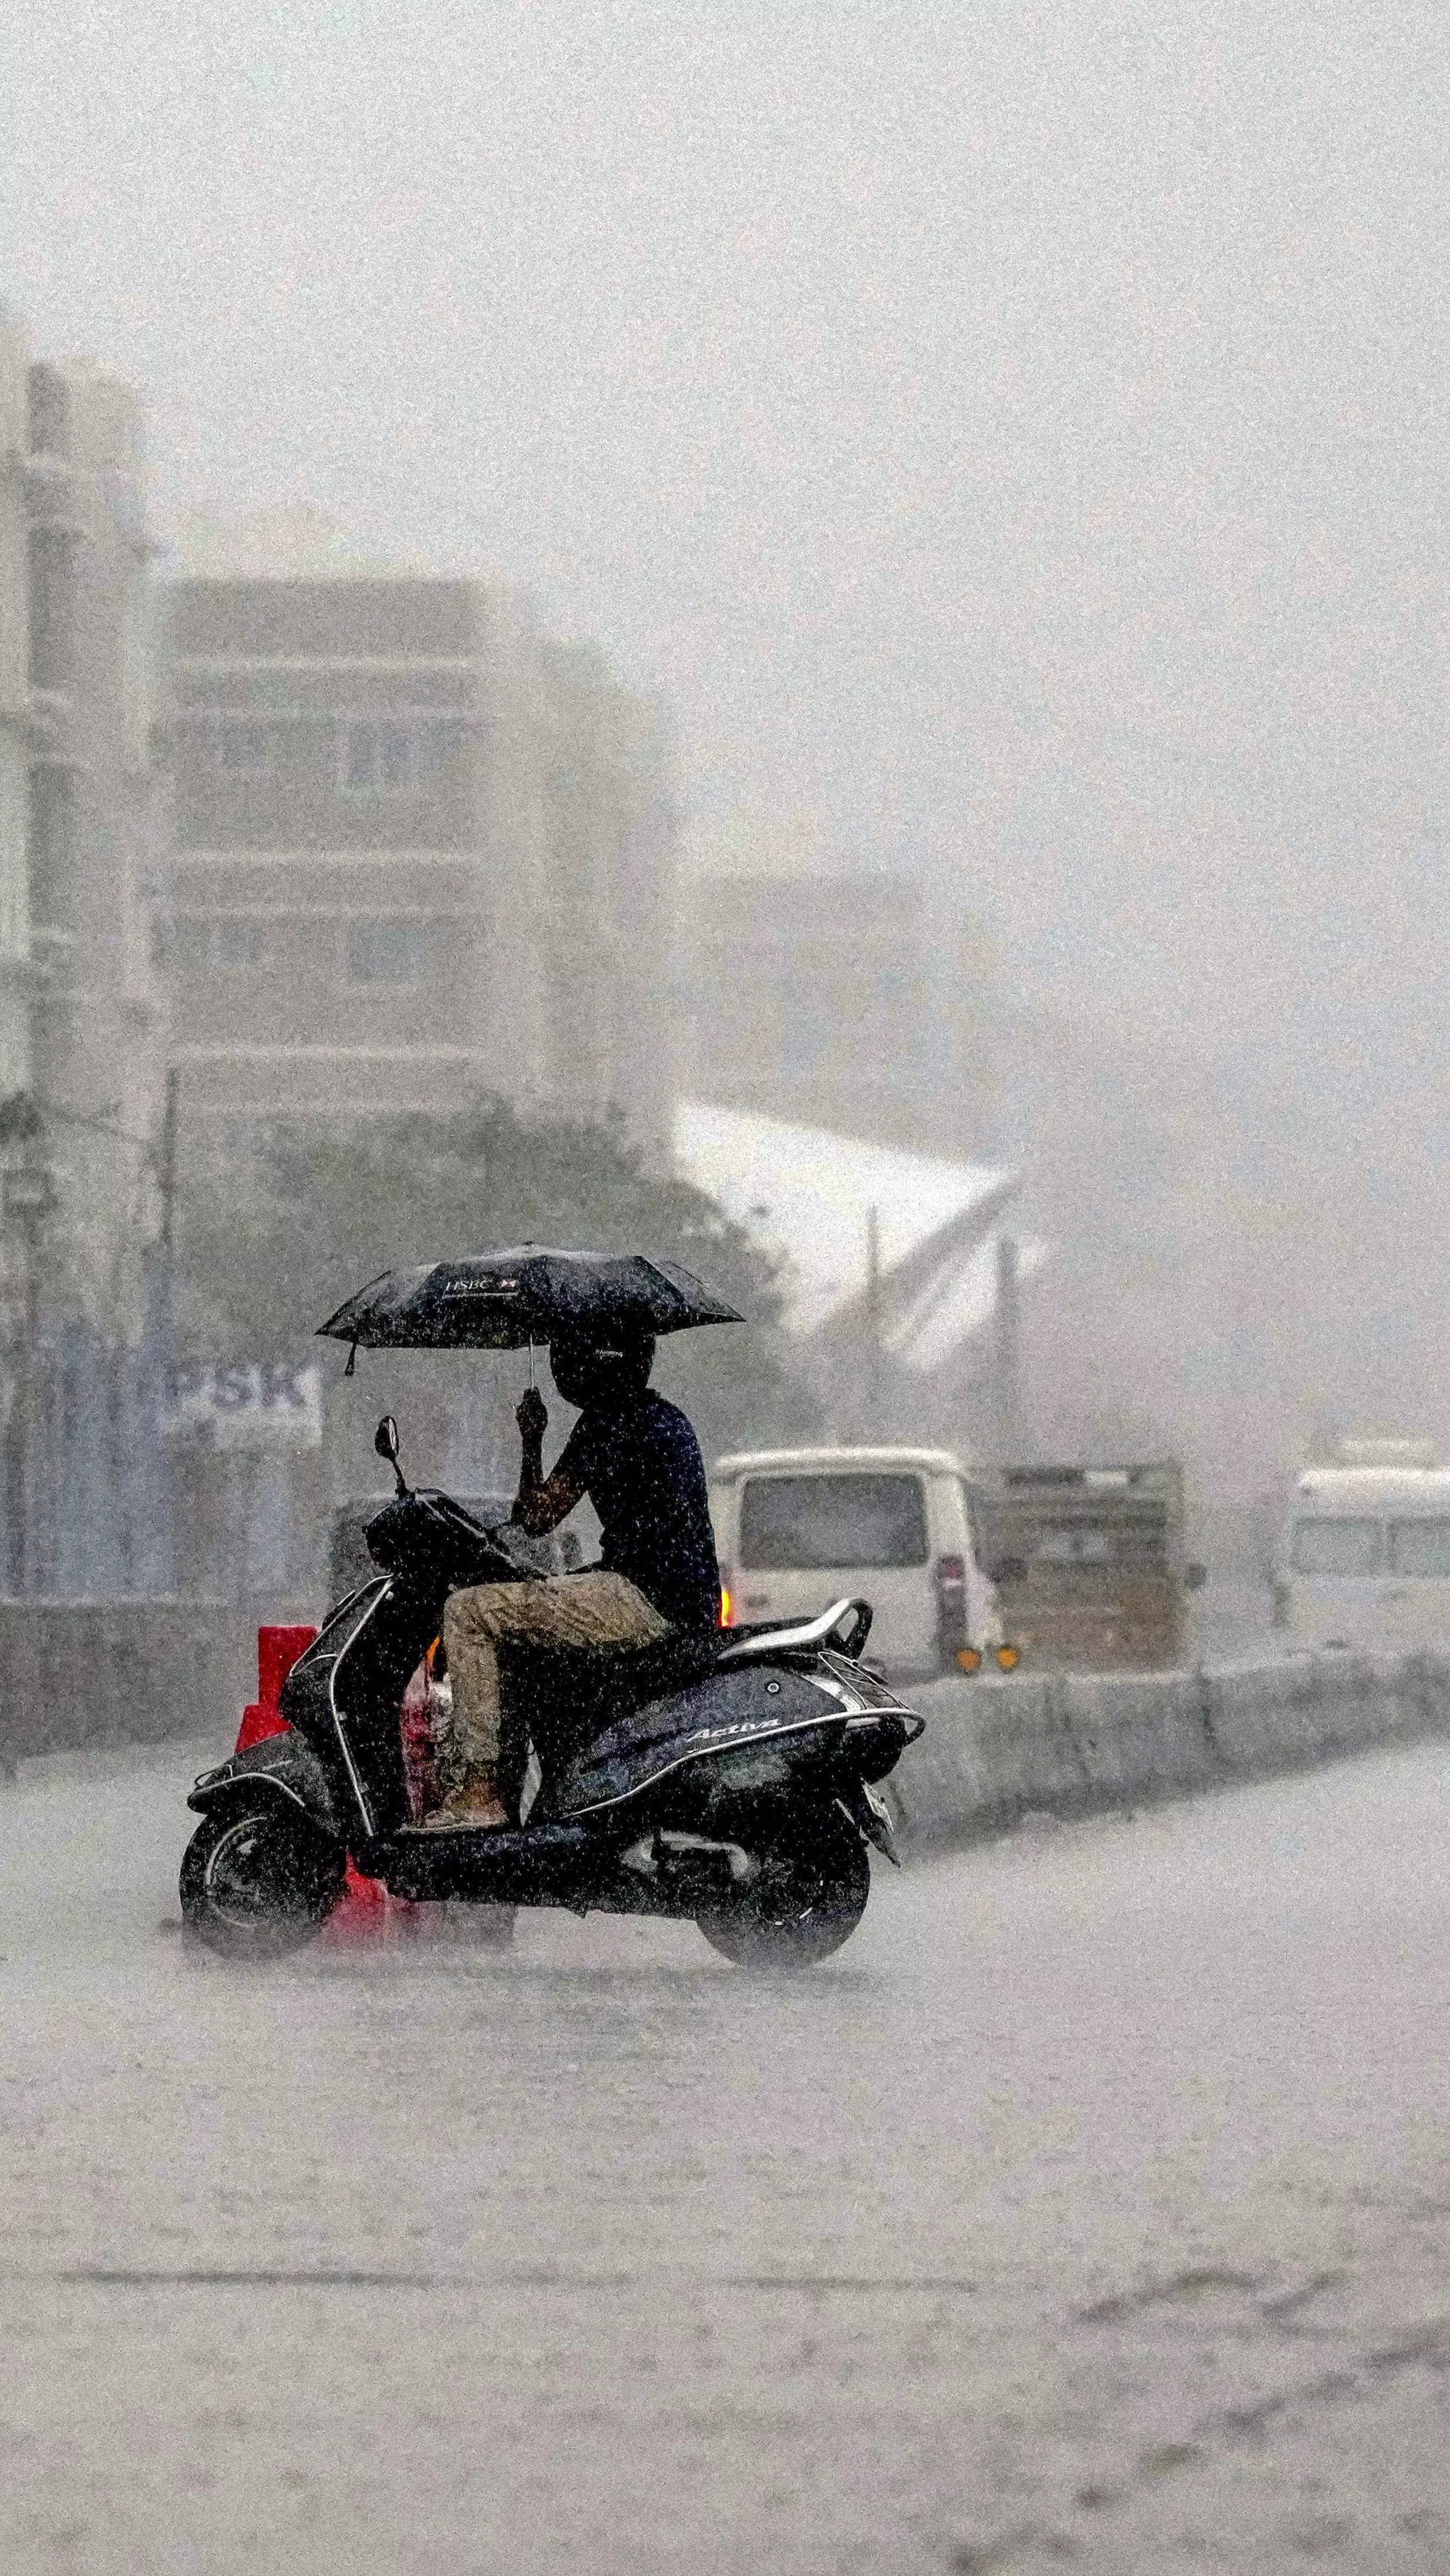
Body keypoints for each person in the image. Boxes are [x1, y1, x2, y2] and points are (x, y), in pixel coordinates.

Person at [418, 1325, 720, 1829]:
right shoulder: (667, 1420)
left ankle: (481, 1793)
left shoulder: (606, 1422)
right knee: (524, 1612)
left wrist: (531, 1439)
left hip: (640, 1598)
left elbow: (535, 1518)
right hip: (679, 1601)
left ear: (590, 1362)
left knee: (468, 1612)